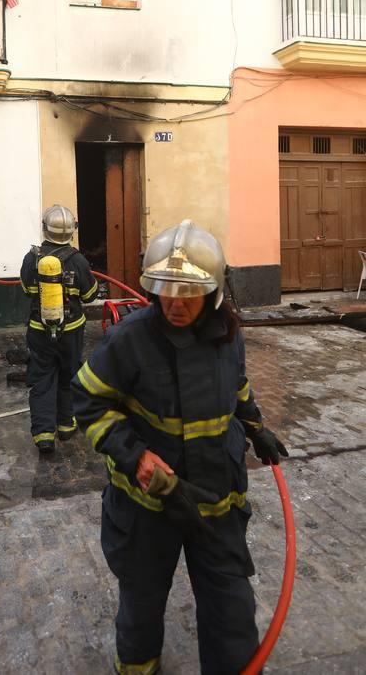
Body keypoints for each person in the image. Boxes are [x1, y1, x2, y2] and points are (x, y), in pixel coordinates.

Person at [72, 219, 289, 675]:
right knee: (141, 603)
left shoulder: (228, 335)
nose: (174, 302)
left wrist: (256, 427)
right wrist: (135, 459)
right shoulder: (128, 340)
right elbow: (88, 401)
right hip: (147, 509)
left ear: (212, 293)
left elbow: (238, 387)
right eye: (165, 289)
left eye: (187, 291)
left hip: (217, 502)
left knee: (232, 610)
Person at [20, 204, 99, 454]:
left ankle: (44, 435)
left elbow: (27, 290)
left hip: (39, 329)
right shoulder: (78, 260)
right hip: (71, 330)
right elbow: (89, 295)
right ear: (71, 231)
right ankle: (66, 426)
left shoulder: (31, 258)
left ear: (45, 228)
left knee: (42, 378)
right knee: (69, 375)